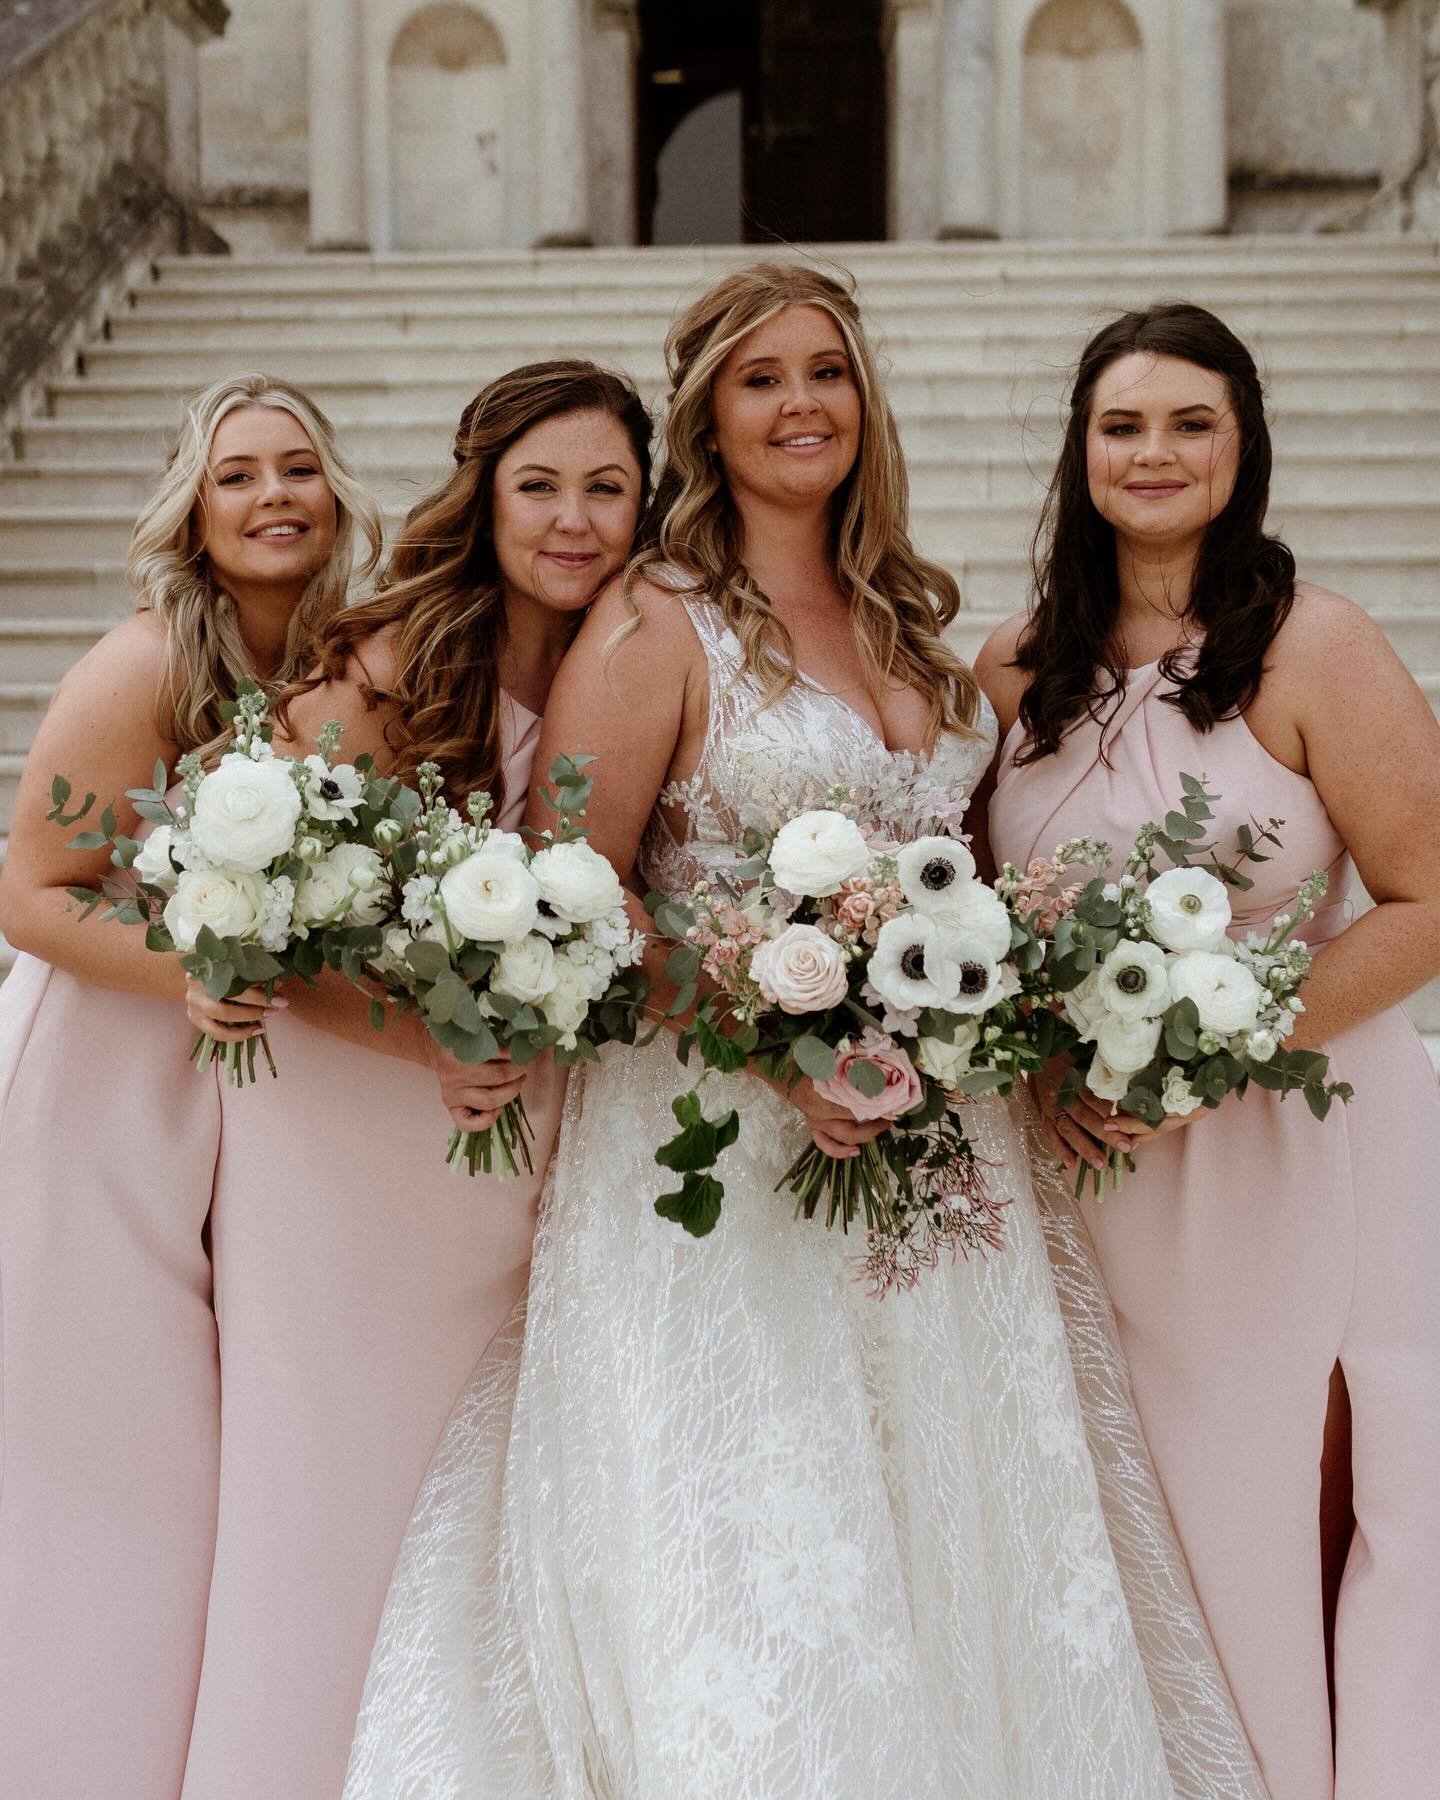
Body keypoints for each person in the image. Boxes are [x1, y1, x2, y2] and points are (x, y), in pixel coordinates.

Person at [347, 266, 1266, 1799]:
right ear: (711, 405)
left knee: (953, 1515)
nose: (800, 406)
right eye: (762, 377)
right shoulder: (653, 621)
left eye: (827, 372)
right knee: (772, 1534)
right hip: (720, 1146)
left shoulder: (912, 617)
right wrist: (783, 1041)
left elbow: (959, 879)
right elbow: (587, 895)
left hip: (937, 1145)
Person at [980, 301, 1440, 1800]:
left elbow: (1430, 899)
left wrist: (1208, 1060)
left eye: (1191, 423)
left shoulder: (1315, 648)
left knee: (1287, 1495)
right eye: (1123, 425)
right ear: (1082, 451)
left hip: (1291, 1136)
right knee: (1143, 1509)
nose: (1155, 452)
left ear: (1243, 447)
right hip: (1093, 1169)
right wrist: (1055, 1065)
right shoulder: (1017, 667)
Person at [177, 361, 651, 1800]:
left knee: (492, 1507)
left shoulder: (642, 656)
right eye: (539, 486)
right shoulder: (386, 657)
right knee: (335, 1501)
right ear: (482, 493)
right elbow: (260, 925)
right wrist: (433, 1039)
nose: (573, 521)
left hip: (520, 1132)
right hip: (350, 1134)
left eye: (607, 489)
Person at [0, 373, 381, 1798]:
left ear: (335, 494)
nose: (273, 496)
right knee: (112, 1447)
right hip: (100, 1084)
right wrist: (186, 977)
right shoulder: (144, 665)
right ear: (195, 511)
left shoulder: (350, 664)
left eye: (297, 469)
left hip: (243, 1082)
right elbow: (30, 892)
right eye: (238, 476)